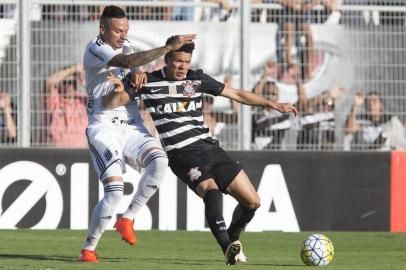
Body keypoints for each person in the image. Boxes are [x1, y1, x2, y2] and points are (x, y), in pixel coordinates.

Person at [103, 37, 297, 265]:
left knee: (252, 202)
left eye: (187, 61)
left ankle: (233, 240)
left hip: (210, 149)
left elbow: (237, 95)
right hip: (181, 155)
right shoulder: (148, 81)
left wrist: (272, 104)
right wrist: (117, 91)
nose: (183, 67)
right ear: (167, 59)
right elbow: (111, 103)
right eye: (178, 61)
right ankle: (226, 248)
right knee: (211, 191)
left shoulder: (197, 79)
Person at [79, 5, 196, 263]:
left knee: (160, 161)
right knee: (115, 192)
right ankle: (89, 248)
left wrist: (139, 74)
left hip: (131, 124)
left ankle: (128, 218)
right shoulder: (95, 48)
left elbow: (134, 68)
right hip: (104, 127)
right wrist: (166, 49)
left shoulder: (128, 46)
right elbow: (126, 63)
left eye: (126, 30)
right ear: (103, 29)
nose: (123, 35)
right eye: (118, 31)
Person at [44, 64, 88, 148]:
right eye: (66, 82)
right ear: (60, 83)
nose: (70, 86)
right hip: (57, 152)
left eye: (73, 83)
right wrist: (74, 69)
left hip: (80, 152)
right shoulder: (55, 100)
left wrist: (84, 81)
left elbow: (99, 93)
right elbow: (49, 82)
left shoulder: (84, 100)